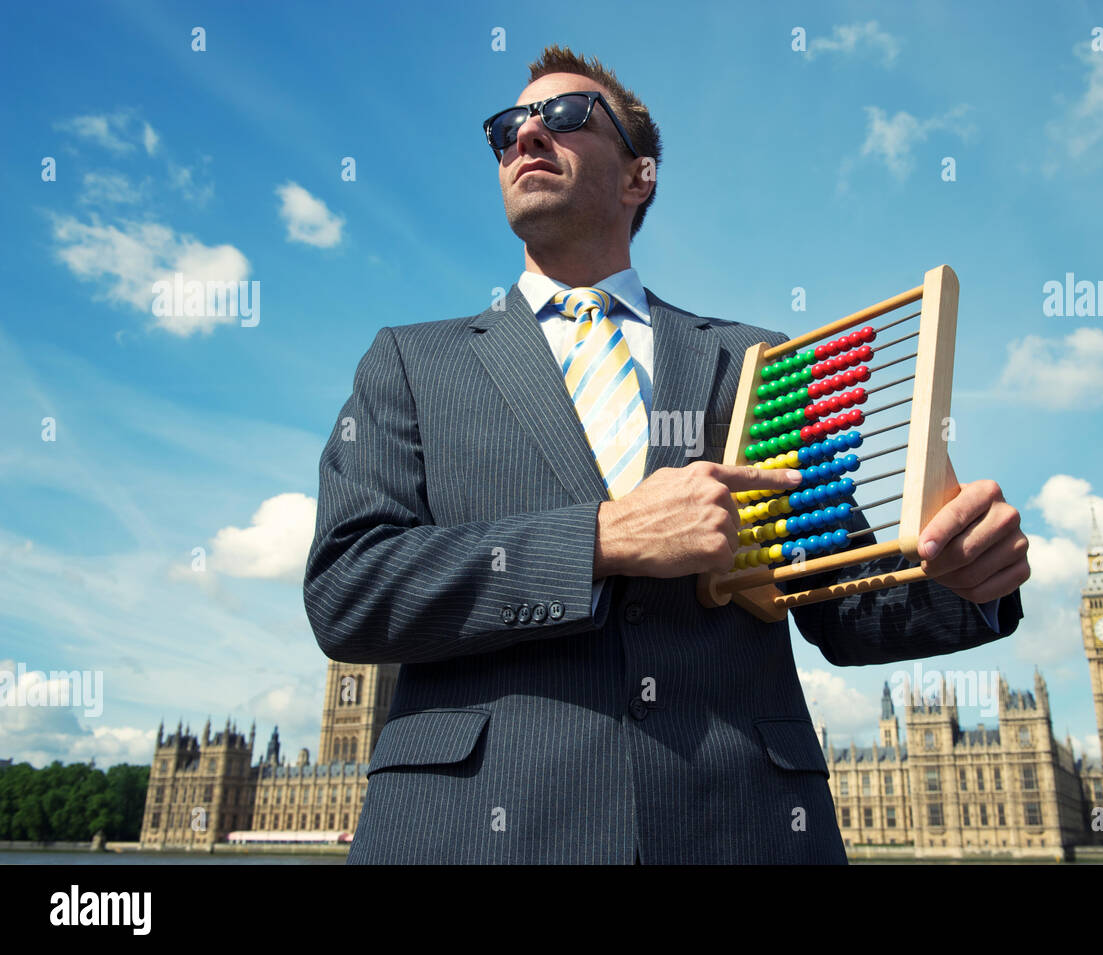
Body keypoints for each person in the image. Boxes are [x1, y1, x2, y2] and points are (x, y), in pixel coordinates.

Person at [303, 45, 1030, 864]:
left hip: (740, 827)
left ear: (638, 176)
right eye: (508, 126)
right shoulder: (411, 361)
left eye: (567, 116)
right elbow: (347, 588)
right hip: (475, 832)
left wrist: (966, 575)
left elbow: (839, 597)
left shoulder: (758, 361)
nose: (528, 134)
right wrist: (602, 539)